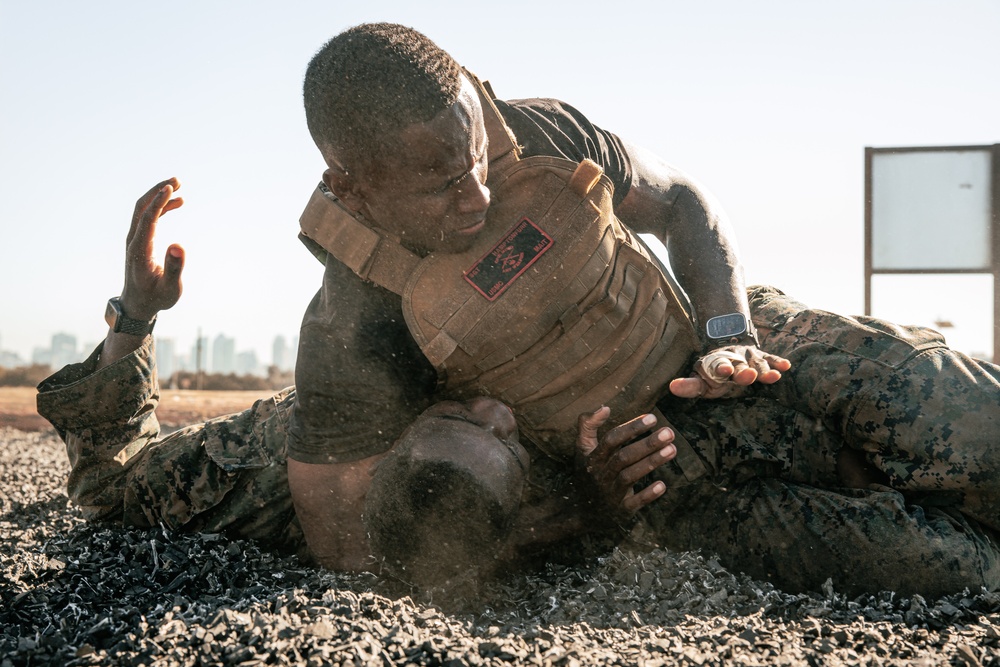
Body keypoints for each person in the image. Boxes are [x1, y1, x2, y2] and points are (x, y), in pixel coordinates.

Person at [38, 23, 1000, 597]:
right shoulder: (353, 338)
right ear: (354, 186)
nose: (479, 200)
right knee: (943, 569)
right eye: (442, 185)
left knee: (963, 413)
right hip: (618, 462)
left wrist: (727, 332)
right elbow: (371, 563)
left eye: (478, 163)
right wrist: (133, 320)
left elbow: (685, 206)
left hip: (706, 343)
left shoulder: (539, 135)